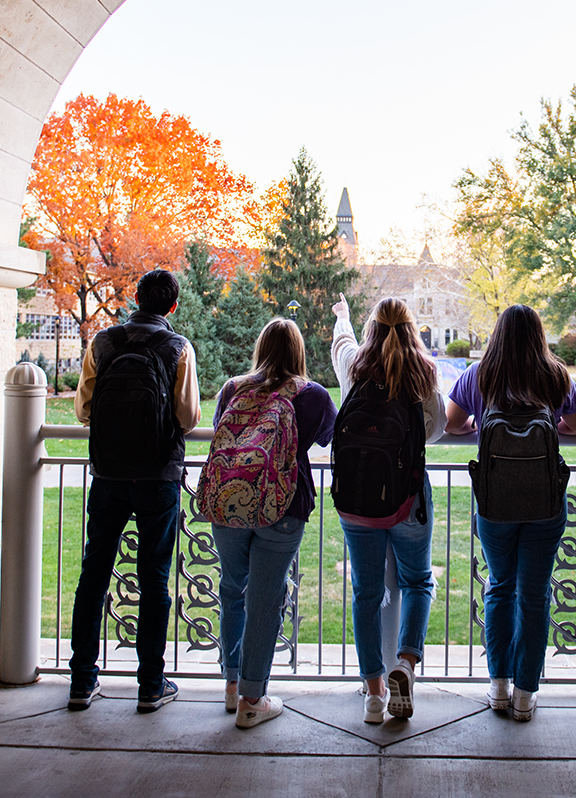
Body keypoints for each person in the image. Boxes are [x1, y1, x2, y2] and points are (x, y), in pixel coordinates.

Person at [444, 304, 576, 721]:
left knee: (500, 587)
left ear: (498, 335)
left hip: (495, 503)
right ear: (539, 335)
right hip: (544, 502)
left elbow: (453, 424)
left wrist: (476, 428)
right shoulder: (555, 375)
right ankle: (526, 694)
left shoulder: (479, 376)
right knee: (535, 593)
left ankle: (499, 687)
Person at [68, 269, 201, 713]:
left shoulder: (102, 343)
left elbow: (85, 409)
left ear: (137, 298)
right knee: (154, 579)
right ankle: (150, 684)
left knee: (94, 574)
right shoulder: (178, 348)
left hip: (107, 474)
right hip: (157, 477)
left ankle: (82, 681)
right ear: (172, 307)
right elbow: (188, 417)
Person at [212, 318, 336, 728]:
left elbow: (220, 431)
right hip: (282, 506)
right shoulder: (312, 395)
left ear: (260, 347)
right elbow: (326, 437)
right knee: (265, 600)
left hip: (229, 503)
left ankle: (232, 686)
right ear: (299, 352)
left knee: (233, 589)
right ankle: (252, 698)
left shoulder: (233, 388)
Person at [330, 293, 447, 723]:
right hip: (408, 499)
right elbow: (433, 430)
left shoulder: (355, 367)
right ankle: (406, 664)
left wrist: (342, 318)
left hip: (357, 502)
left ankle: (375, 694)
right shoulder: (424, 372)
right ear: (412, 328)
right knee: (417, 582)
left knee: (366, 593)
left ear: (372, 328)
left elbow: (341, 346)